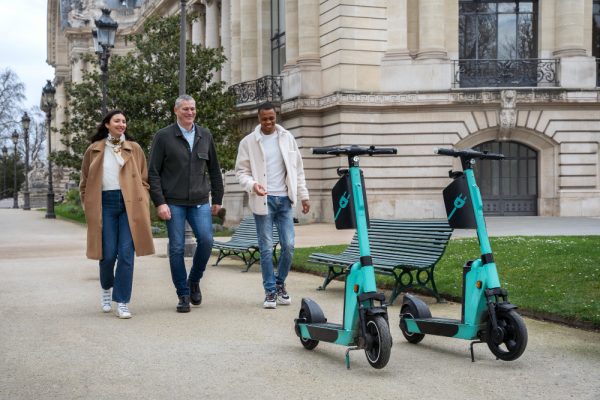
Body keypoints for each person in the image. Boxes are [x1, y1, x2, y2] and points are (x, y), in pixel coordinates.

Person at [148, 95, 224, 313]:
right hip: (173, 202)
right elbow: (153, 173)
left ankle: (194, 281)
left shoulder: (205, 135)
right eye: (185, 109)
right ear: (176, 111)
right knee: (177, 247)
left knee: (207, 241)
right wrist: (160, 202)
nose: (190, 112)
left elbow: (214, 170)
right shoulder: (163, 136)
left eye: (192, 109)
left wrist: (217, 199)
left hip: (200, 200)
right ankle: (182, 293)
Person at [80, 109, 155, 319]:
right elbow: (84, 183)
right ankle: (106, 289)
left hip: (130, 205)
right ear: (107, 124)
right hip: (105, 204)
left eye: (124, 121)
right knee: (107, 254)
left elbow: (144, 179)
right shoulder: (94, 150)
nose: (121, 124)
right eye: (117, 121)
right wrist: (89, 205)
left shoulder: (135, 148)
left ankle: (122, 301)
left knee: (126, 255)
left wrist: (144, 197)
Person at [235, 102, 310, 309]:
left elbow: (298, 171)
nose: (268, 122)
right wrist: (252, 185)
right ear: (258, 119)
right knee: (266, 248)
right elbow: (241, 172)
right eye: (264, 119)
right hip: (263, 201)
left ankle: (279, 283)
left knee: (289, 245)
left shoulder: (287, 138)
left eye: (271, 118)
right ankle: (270, 291)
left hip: (285, 200)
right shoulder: (248, 142)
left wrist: (304, 196)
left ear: (276, 117)